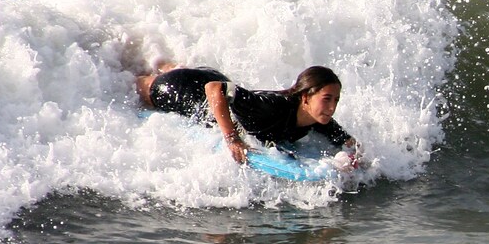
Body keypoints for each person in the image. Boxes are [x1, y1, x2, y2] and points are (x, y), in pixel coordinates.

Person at [136, 64, 360, 167]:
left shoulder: (319, 120)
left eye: (336, 100)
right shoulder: (271, 107)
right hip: (185, 91)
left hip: (211, 76)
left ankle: (165, 63)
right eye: (327, 99)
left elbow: (350, 144)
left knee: (170, 67)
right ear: (305, 98)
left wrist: (357, 161)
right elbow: (214, 89)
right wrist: (232, 139)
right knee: (143, 85)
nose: (332, 107)